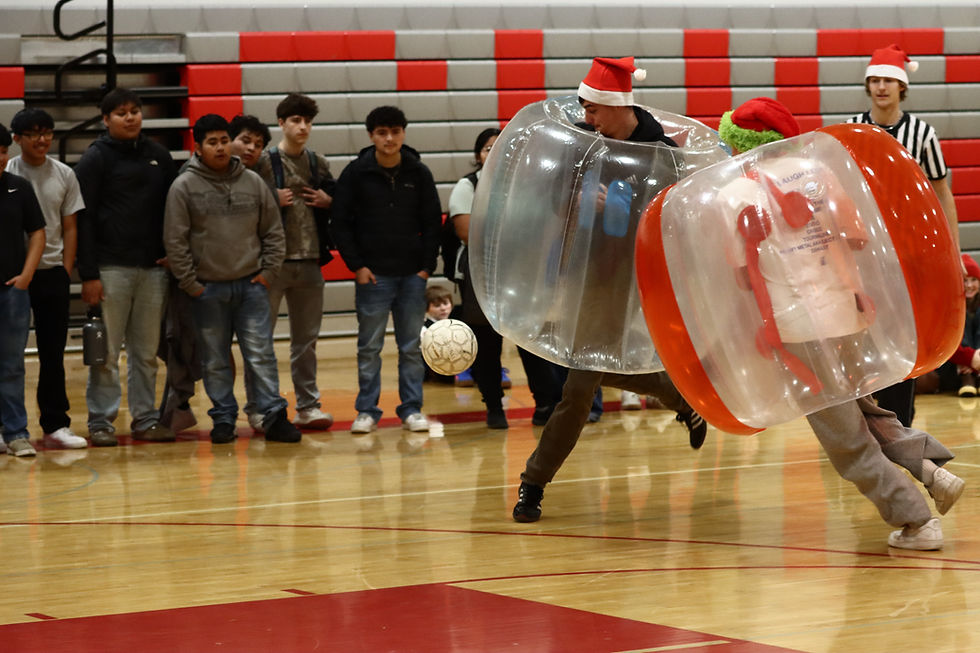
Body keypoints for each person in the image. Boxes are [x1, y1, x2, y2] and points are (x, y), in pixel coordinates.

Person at [719, 96, 963, 549]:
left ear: (740, 143)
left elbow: (739, 277)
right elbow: (858, 239)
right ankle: (933, 471)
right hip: (847, 315)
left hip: (795, 332)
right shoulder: (820, 173)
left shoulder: (734, 194)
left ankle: (916, 521)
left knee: (845, 440)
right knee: (866, 411)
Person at [513, 57, 708, 523]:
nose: (588, 119)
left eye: (594, 109)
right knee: (591, 369)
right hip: (583, 275)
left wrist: (613, 207)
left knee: (576, 387)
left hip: (624, 284)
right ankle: (681, 397)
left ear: (617, 105)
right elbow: (561, 203)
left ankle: (533, 484)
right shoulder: (588, 144)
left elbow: (661, 223)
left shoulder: (660, 155)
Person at [164, 114, 300, 444]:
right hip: (206, 290)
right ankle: (223, 418)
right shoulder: (184, 186)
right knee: (214, 359)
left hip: (251, 285)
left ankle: (273, 415)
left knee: (261, 353)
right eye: (212, 142)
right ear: (198, 147)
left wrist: (268, 273)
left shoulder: (252, 182)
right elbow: (175, 240)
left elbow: (273, 231)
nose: (221, 147)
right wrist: (191, 283)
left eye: (224, 140)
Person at [847, 44, 961, 428]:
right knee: (863, 340)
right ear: (868, 85)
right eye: (875, 80)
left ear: (902, 87)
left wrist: (953, 253)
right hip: (862, 255)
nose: (881, 87)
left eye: (889, 81)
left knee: (904, 339)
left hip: (910, 254)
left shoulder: (922, 135)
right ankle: (867, 423)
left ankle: (901, 424)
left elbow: (942, 192)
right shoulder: (850, 127)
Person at [74, 88, 178, 447]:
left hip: (153, 271)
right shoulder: (95, 160)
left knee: (146, 352)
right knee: (105, 353)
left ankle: (145, 418)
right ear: (106, 120)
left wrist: (170, 253)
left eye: (135, 111)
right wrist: (88, 274)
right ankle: (101, 421)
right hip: (109, 270)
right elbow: (81, 220)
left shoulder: (159, 156)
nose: (131, 118)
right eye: (122, 113)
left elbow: (173, 212)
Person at [331, 105, 442, 434]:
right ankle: (367, 410)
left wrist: (426, 267)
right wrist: (357, 266)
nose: (389, 138)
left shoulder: (418, 172)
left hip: (412, 275)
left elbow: (432, 222)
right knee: (369, 347)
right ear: (371, 136)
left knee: (411, 346)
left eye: (395, 131)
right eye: (382, 132)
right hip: (373, 276)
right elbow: (340, 223)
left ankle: (411, 409)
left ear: (404, 133)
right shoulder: (355, 173)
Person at [447, 127, 563, 429]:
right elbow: (465, 231)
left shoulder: (526, 185)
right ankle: (494, 407)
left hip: (521, 272)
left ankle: (545, 404)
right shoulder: (467, 185)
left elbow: (540, 226)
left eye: (501, 147)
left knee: (530, 341)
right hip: (480, 275)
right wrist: (514, 226)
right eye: (488, 148)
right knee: (486, 345)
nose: (494, 152)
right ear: (478, 155)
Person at [253, 94, 334, 432]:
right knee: (260, 341)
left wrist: (331, 201)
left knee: (306, 342)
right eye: (295, 121)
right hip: (272, 265)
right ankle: (264, 409)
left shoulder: (318, 163)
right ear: (281, 124)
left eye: (307, 121)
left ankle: (307, 406)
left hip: (311, 261)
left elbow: (340, 206)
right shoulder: (263, 163)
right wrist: (272, 199)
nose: (302, 127)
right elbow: (246, 205)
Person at [7, 108, 87, 449]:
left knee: (52, 353)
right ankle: (8, 426)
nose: (42, 140)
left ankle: (56, 423)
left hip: (52, 272)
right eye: (34, 133)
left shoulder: (65, 174)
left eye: (47, 132)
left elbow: (69, 226)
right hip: (13, 275)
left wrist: (65, 269)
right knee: (8, 356)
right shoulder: (8, 171)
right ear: (17, 139)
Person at [0, 122, 46, 457]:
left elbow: (38, 233)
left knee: (12, 364)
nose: (0, 158)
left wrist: (27, 275)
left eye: (3, 151)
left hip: (13, 291)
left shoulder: (19, 187)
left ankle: (16, 432)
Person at [422, 284, 456, 384]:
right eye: (437, 306)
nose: (443, 308)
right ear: (426, 308)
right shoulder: (424, 327)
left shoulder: (455, 325)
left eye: (446, 304)